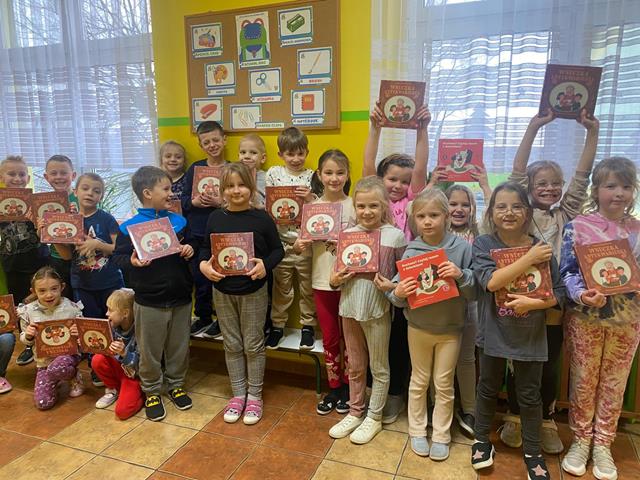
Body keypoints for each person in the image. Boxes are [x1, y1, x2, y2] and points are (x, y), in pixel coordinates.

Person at [500, 108, 599, 455]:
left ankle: (545, 419)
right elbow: (516, 173)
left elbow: (583, 176)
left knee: (549, 363)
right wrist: (533, 126)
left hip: (554, 303)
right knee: (518, 363)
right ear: (529, 187)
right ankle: (514, 417)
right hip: (520, 298)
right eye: (541, 183)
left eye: (555, 183)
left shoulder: (565, 214)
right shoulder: (521, 214)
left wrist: (592, 133)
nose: (549, 188)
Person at [470, 182, 565, 480]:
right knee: (487, 387)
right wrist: (528, 258)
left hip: (530, 334)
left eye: (516, 206)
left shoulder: (542, 249)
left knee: (529, 394)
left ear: (527, 213)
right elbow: (491, 282)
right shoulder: (483, 244)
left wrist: (534, 303)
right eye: (501, 206)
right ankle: (481, 441)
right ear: (491, 212)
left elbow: (559, 293)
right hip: (493, 330)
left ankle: (533, 453)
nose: (509, 212)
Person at [560, 157, 640, 480]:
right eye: (610, 186)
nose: (619, 193)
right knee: (583, 380)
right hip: (586, 319)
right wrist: (582, 295)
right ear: (596, 190)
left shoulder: (638, 230)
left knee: (614, 383)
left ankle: (603, 443)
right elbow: (567, 272)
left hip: (628, 321)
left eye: (626, 186)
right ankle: (581, 440)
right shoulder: (577, 226)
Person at [387, 188, 475, 460]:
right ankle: (416, 430)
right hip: (418, 327)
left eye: (434, 215)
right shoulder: (412, 250)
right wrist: (398, 292)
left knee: (444, 383)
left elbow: (475, 293)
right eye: (421, 216)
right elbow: (397, 296)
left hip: (451, 329)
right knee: (419, 380)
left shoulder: (462, 248)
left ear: (447, 216)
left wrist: (461, 275)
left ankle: (441, 435)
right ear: (413, 219)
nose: (427, 221)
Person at [362, 101, 431, 423]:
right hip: (373, 280)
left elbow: (421, 168)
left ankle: (394, 395)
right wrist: (375, 128)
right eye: (392, 179)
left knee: (398, 343)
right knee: (374, 340)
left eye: (404, 181)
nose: (398, 185)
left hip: (403, 283)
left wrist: (422, 130)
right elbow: (368, 166)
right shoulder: (376, 200)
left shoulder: (413, 202)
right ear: (381, 180)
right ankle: (371, 391)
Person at [200, 163, 284, 425]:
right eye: (230, 186)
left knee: (253, 345)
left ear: (251, 187)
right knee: (232, 344)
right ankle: (238, 394)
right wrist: (204, 266)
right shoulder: (215, 218)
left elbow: (278, 250)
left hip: (253, 291)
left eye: (242, 185)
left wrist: (265, 265)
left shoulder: (262, 218)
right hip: (222, 291)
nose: (236, 191)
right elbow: (205, 250)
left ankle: (255, 396)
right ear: (222, 190)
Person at [113, 166, 196, 421]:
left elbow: (193, 244)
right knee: (149, 349)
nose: (171, 193)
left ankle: (176, 384)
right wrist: (132, 262)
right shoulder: (129, 228)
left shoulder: (179, 222)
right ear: (147, 193)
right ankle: (151, 390)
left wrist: (189, 249)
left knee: (178, 346)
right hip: (149, 301)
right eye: (166, 189)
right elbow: (118, 258)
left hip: (181, 296)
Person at [327, 177, 406, 445]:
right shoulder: (347, 235)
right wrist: (335, 279)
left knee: (379, 367)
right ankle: (355, 411)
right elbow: (334, 277)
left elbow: (404, 274)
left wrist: (392, 285)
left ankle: (374, 416)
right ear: (355, 207)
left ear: (384, 206)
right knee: (356, 365)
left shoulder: (394, 236)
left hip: (377, 310)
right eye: (361, 206)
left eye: (373, 205)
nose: (367, 211)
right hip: (349, 308)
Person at [293, 149, 355, 415]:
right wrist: (299, 245)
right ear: (319, 175)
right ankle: (335, 387)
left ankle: (351, 388)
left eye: (340, 172)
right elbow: (303, 247)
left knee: (350, 339)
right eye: (328, 173)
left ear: (348, 175)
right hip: (321, 281)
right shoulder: (312, 208)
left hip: (351, 282)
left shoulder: (355, 205)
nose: (334, 178)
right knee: (329, 338)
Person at [52, 172, 124, 390]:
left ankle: (119, 363)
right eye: (85, 188)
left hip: (110, 282)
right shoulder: (69, 221)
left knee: (115, 324)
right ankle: (96, 366)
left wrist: (97, 245)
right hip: (82, 284)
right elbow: (66, 256)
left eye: (96, 191)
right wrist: (54, 238)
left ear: (101, 195)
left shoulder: (107, 219)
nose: (90, 193)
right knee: (91, 325)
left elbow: (119, 249)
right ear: (75, 192)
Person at [265, 127, 316, 349]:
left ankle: (308, 326)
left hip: (305, 243)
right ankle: (278, 326)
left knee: (307, 288)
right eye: (290, 154)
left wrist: (310, 197)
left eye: (300, 153)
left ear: (306, 152)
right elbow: (268, 206)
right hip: (281, 244)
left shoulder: (312, 176)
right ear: (281, 154)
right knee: (281, 288)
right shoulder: (273, 173)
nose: (296, 159)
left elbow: (321, 210)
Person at [0, 156, 49, 367]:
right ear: (2, 177)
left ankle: (47, 342)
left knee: (41, 303)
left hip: (38, 261)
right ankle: (28, 344)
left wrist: (40, 222)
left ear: (28, 178)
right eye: (12, 174)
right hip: (12, 264)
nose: (17, 178)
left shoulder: (36, 202)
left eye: (21, 174)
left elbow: (46, 232)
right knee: (21, 307)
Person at [182, 121, 228, 339]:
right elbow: (182, 200)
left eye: (216, 140)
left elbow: (241, 199)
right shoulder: (195, 169)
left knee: (223, 276)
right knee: (200, 279)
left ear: (224, 140)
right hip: (197, 233)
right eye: (206, 142)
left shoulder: (232, 169)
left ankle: (222, 319)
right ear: (200, 145)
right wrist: (193, 202)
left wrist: (221, 203)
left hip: (224, 232)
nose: (212, 145)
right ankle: (203, 316)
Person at [17, 267, 84, 409]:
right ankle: (54, 377)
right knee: (43, 403)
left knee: (57, 368)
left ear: (62, 287)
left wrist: (78, 332)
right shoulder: (28, 311)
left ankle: (73, 375)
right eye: (42, 291)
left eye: (54, 289)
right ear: (33, 291)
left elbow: (83, 334)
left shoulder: (71, 308)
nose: (49, 295)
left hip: (68, 356)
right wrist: (28, 335)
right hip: (44, 362)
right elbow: (24, 338)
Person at [91, 288, 144, 420]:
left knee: (122, 412)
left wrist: (124, 353)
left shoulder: (141, 331)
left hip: (134, 375)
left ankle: (141, 394)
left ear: (125, 313)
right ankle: (114, 389)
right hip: (119, 371)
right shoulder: (111, 327)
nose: (106, 313)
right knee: (97, 359)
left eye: (110, 310)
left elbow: (143, 365)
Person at [44, 154, 78, 300]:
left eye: (64, 173)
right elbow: (41, 234)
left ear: (73, 175)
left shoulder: (82, 198)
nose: (59, 177)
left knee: (80, 299)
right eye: (54, 173)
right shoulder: (43, 202)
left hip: (81, 258)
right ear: (46, 177)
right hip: (56, 258)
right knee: (62, 299)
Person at [238, 133, 267, 208]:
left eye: (253, 153)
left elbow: (270, 203)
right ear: (238, 156)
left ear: (263, 158)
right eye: (243, 152)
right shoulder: (234, 176)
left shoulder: (267, 178)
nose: (247, 156)